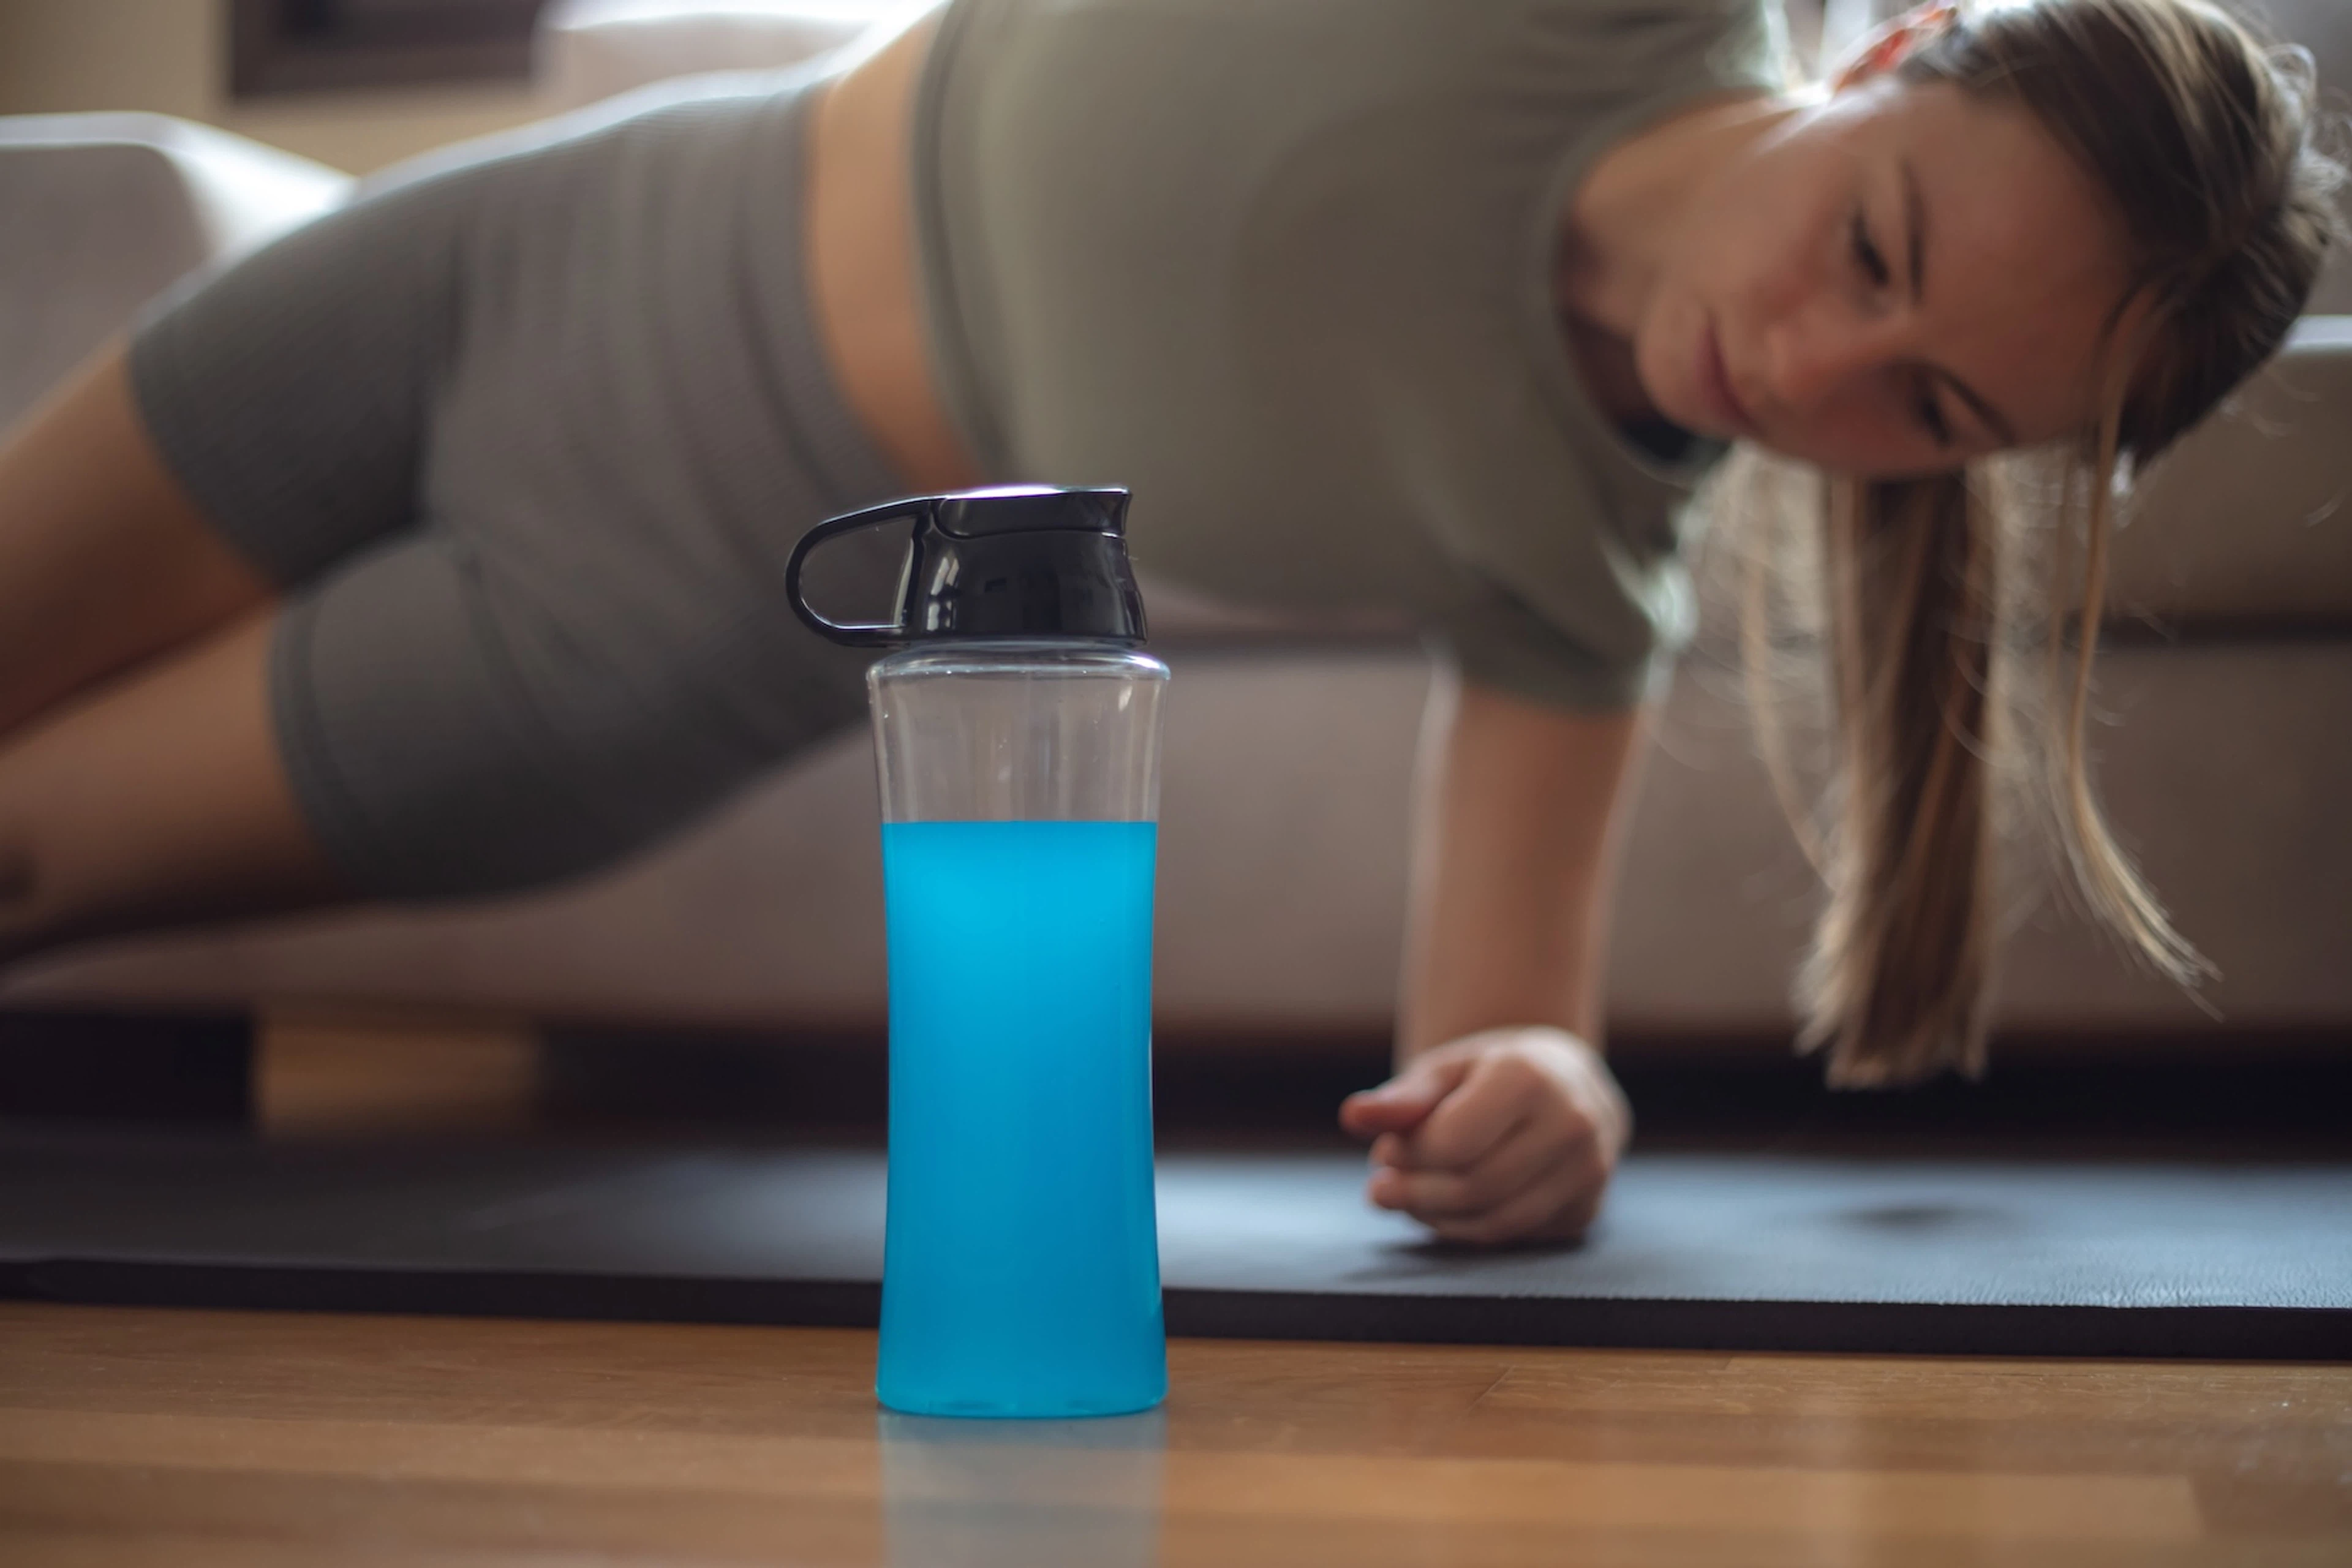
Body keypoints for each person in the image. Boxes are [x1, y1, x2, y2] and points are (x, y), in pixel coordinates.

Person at [0, 0, 2335, 1243]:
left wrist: (1550, 1103)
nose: (1814, 374)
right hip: (525, 252)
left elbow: (1503, 1032)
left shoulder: (1576, 558)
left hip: (639, 624)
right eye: (1874, 252)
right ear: (1890, 48)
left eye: (1931, 411)